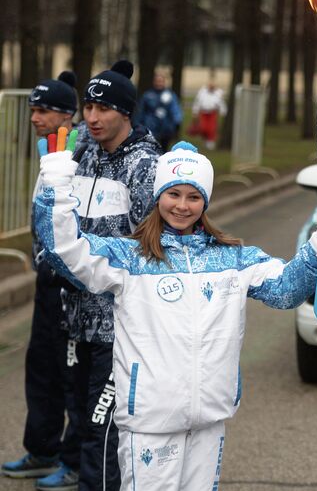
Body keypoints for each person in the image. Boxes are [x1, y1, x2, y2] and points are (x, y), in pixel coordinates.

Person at [34, 139, 317, 490]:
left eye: (193, 197)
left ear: (205, 202)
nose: (182, 206)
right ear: (158, 197)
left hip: (208, 419)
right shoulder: (129, 258)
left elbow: (286, 291)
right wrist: (56, 191)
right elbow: (65, 252)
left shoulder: (233, 259)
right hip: (150, 423)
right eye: (173, 194)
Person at [64, 60, 162, 490]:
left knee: (103, 430)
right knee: (86, 420)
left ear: (125, 112)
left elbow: (152, 251)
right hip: (78, 317)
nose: (92, 117)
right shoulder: (87, 155)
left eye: (103, 109)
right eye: (88, 107)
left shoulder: (144, 166)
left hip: (118, 327)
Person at [2, 71, 83, 490]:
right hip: (46, 283)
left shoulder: (80, 151)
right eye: (32, 109)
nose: (34, 117)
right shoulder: (46, 151)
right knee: (42, 368)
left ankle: (73, 460)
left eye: (43, 110)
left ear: (67, 114)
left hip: (76, 287)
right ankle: (42, 448)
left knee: (72, 376)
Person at [133, 72, 183, 152]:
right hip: (151, 128)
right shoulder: (147, 95)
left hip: (166, 129)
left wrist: (177, 123)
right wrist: (138, 124)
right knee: (152, 149)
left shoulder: (170, 95)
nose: (159, 83)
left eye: (161, 81)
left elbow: (175, 109)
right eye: (157, 81)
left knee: (164, 150)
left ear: (164, 82)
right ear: (154, 82)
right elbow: (141, 111)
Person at [191, 73, 227, 150]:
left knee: (211, 128)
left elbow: (221, 103)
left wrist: (223, 112)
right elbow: (197, 102)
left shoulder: (218, 93)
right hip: (203, 112)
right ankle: (205, 138)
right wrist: (195, 111)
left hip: (212, 113)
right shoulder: (202, 91)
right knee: (203, 127)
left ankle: (210, 142)